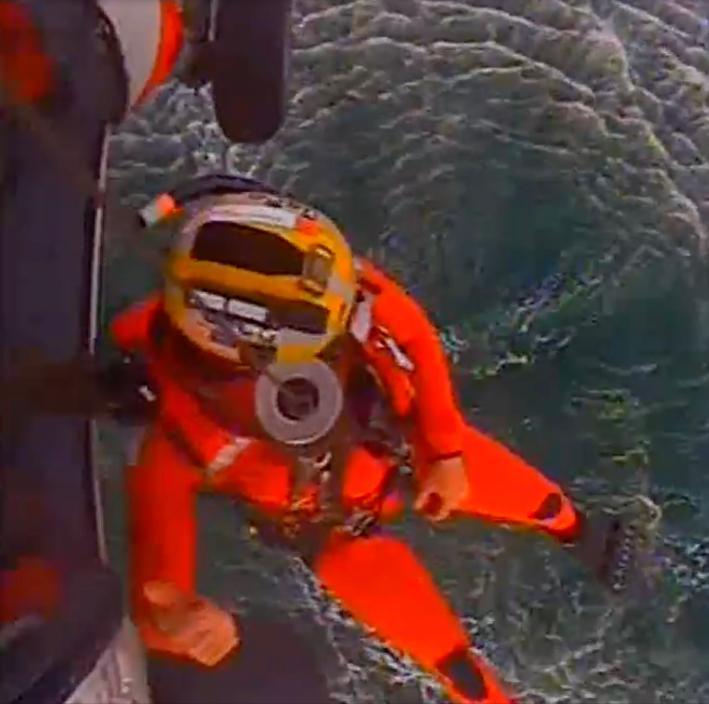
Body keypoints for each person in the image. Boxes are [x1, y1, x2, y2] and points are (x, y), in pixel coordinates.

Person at [104, 176, 637, 704]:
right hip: (336, 535)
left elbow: (413, 333)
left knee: (548, 506)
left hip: (406, 448)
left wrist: (445, 448)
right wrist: (189, 628)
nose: (351, 325)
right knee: (464, 677)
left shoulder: (329, 285)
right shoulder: (177, 440)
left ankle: (576, 530)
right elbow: (159, 593)